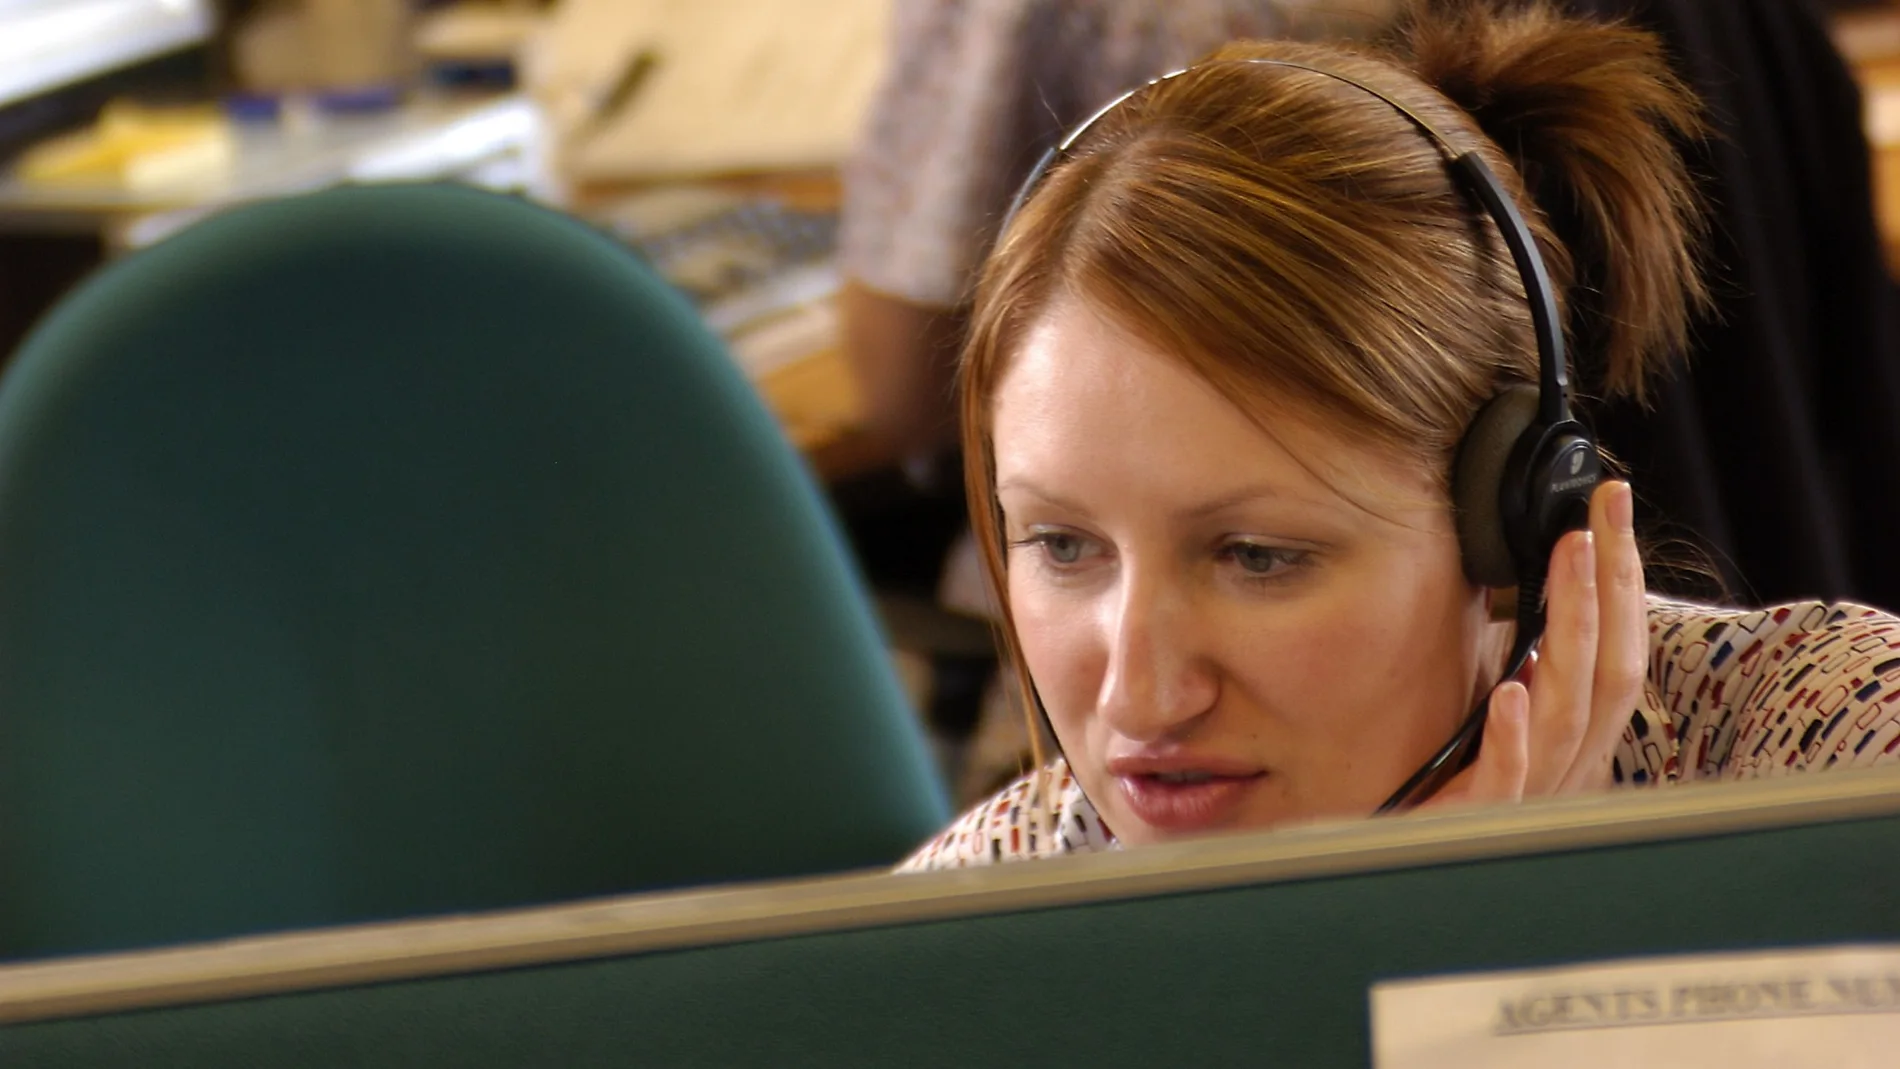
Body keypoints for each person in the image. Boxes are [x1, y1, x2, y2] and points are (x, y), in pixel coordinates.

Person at [899, 0, 1900, 870]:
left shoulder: (1844, 763)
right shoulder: (968, 922)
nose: (1142, 695)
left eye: (1257, 557)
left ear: (1518, 532)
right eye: (1063, 546)